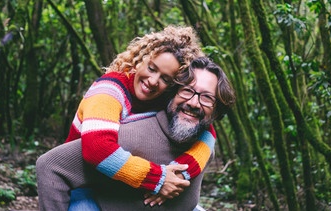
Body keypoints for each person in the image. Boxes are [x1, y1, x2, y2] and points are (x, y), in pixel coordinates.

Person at [36, 26, 217, 210]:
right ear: (139, 60)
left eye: (166, 79)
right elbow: (97, 148)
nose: (153, 81)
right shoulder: (109, 90)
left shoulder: (162, 98)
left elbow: (207, 134)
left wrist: (180, 173)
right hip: (83, 183)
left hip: (120, 187)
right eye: (152, 68)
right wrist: (159, 178)